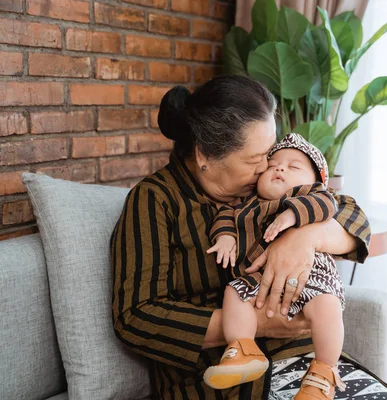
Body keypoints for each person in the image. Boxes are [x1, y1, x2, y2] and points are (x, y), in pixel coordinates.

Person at [110, 75, 371, 399]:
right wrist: (257, 323)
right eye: (255, 159)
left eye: (270, 154)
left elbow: (351, 215)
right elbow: (135, 318)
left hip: (305, 366)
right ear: (205, 154)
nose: (269, 168)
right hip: (217, 379)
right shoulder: (155, 200)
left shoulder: (265, 189)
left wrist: (307, 238)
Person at [203, 133, 347, 399]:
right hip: (259, 278)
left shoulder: (311, 195)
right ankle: (244, 350)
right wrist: (224, 236)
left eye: (294, 167)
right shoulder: (244, 204)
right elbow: (225, 216)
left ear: (315, 181)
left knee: (327, 307)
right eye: (272, 165)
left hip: (310, 275)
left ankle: (323, 371)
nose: (279, 168)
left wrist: (293, 214)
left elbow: (327, 203)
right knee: (233, 293)